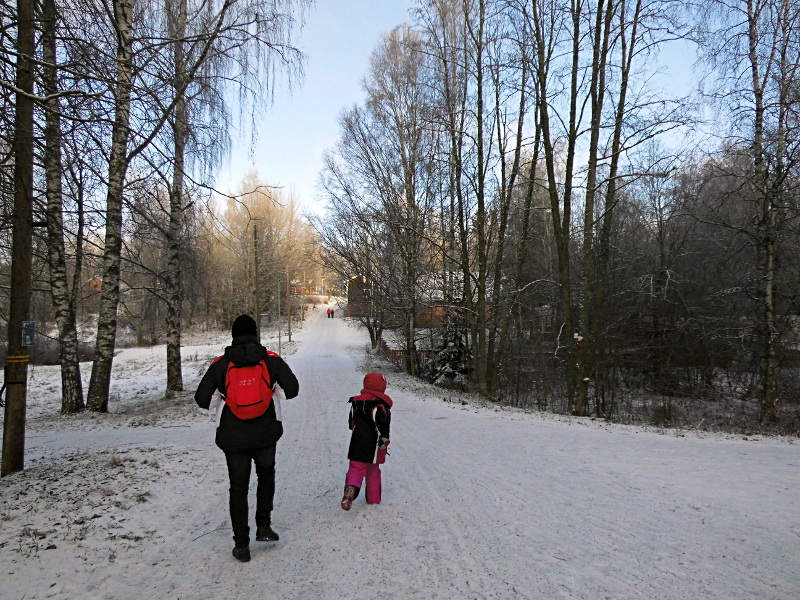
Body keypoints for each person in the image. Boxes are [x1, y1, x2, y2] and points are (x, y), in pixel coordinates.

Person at [195, 314, 299, 562]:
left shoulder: (220, 364)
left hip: (233, 436)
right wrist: (271, 390)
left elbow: (203, 400)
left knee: (238, 487)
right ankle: (264, 526)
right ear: (256, 333)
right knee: (266, 475)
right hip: (265, 433)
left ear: (233, 334)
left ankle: (241, 544)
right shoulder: (271, 360)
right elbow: (291, 390)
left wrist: (225, 396)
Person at [341, 372, 392, 510]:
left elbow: (351, 424)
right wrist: (384, 443)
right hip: (374, 445)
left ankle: (351, 489)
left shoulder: (356, 402)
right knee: (373, 470)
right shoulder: (380, 405)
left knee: (355, 468)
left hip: (357, 442)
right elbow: (383, 428)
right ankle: (373, 499)